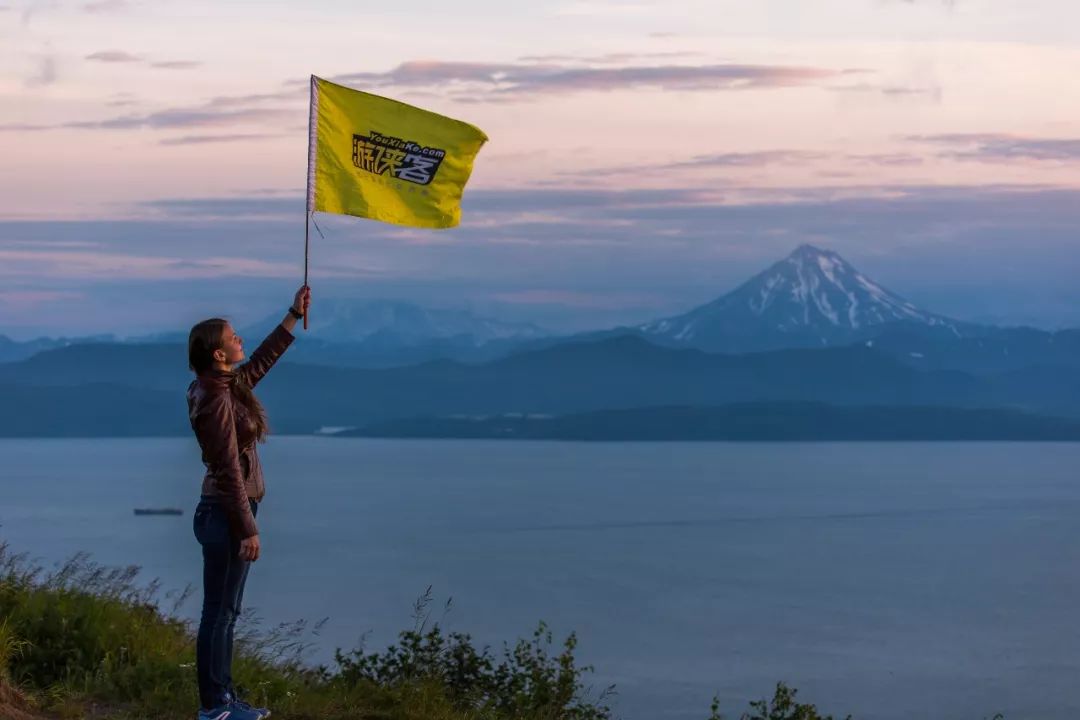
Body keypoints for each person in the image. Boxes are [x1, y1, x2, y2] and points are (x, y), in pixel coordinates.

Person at [186, 285, 311, 720]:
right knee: (220, 613)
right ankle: (215, 706)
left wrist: (292, 315)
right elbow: (228, 472)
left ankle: (222, 701)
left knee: (223, 612)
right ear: (218, 355)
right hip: (226, 514)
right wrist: (248, 527)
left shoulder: (220, 387)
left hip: (223, 513)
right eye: (233, 337)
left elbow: (259, 363)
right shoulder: (217, 398)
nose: (240, 340)